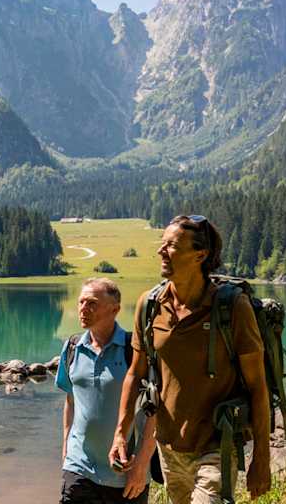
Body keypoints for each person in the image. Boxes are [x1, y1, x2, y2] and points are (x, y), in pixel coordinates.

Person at [108, 215, 272, 503]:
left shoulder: (232, 307)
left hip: (217, 445)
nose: (161, 251)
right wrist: (121, 433)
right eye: (162, 244)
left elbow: (258, 387)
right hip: (169, 449)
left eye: (171, 246)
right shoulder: (149, 305)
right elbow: (135, 374)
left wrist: (262, 458)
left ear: (200, 255)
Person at [57, 277, 155, 503]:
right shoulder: (72, 347)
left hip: (125, 474)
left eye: (92, 303)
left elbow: (154, 412)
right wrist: (65, 450)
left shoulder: (135, 351)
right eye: (81, 302)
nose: (83, 308)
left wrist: (141, 465)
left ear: (115, 309)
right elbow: (71, 400)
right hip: (79, 469)